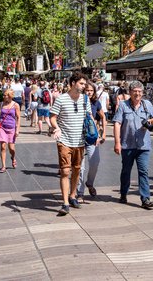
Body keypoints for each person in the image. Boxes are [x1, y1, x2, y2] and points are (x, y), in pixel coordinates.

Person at [113, 81, 153, 209]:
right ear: (130, 92)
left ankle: (145, 199)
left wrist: (150, 121)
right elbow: (117, 123)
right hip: (127, 144)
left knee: (143, 171)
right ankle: (123, 193)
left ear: (142, 93)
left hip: (143, 145)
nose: (137, 94)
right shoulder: (123, 105)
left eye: (139, 91)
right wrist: (117, 142)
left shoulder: (147, 104)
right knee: (126, 171)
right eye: (135, 91)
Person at [50, 71, 89, 216]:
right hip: (64, 140)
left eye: (84, 84)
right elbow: (53, 117)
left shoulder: (85, 99)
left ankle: (73, 196)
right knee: (66, 171)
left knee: (77, 170)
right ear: (73, 83)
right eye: (81, 83)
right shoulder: (61, 99)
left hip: (80, 141)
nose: (84, 86)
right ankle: (65, 202)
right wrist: (57, 128)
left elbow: (89, 117)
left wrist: (95, 131)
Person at [77, 81, 107, 200]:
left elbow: (103, 117)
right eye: (87, 90)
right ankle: (79, 192)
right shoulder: (78, 101)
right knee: (80, 167)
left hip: (92, 137)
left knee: (94, 162)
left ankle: (90, 182)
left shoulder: (95, 103)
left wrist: (103, 133)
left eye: (91, 91)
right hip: (78, 137)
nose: (89, 92)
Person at [0, 89, 20, 173]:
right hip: (2, 128)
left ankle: (13, 157)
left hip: (12, 128)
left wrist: (17, 129)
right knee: (3, 146)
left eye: (5, 95)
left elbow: (18, 118)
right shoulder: (1, 104)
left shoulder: (15, 105)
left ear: (10, 96)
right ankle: (3, 166)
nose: (4, 96)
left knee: (11, 148)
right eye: (4, 95)